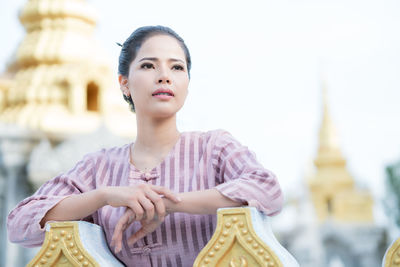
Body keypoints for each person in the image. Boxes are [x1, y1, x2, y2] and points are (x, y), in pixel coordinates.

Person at [7, 25, 283, 266]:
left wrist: (169, 204)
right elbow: (20, 223)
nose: (165, 76)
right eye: (149, 65)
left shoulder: (214, 148)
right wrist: (104, 196)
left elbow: (267, 190)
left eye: (177, 67)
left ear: (187, 83)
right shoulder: (97, 168)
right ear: (124, 84)